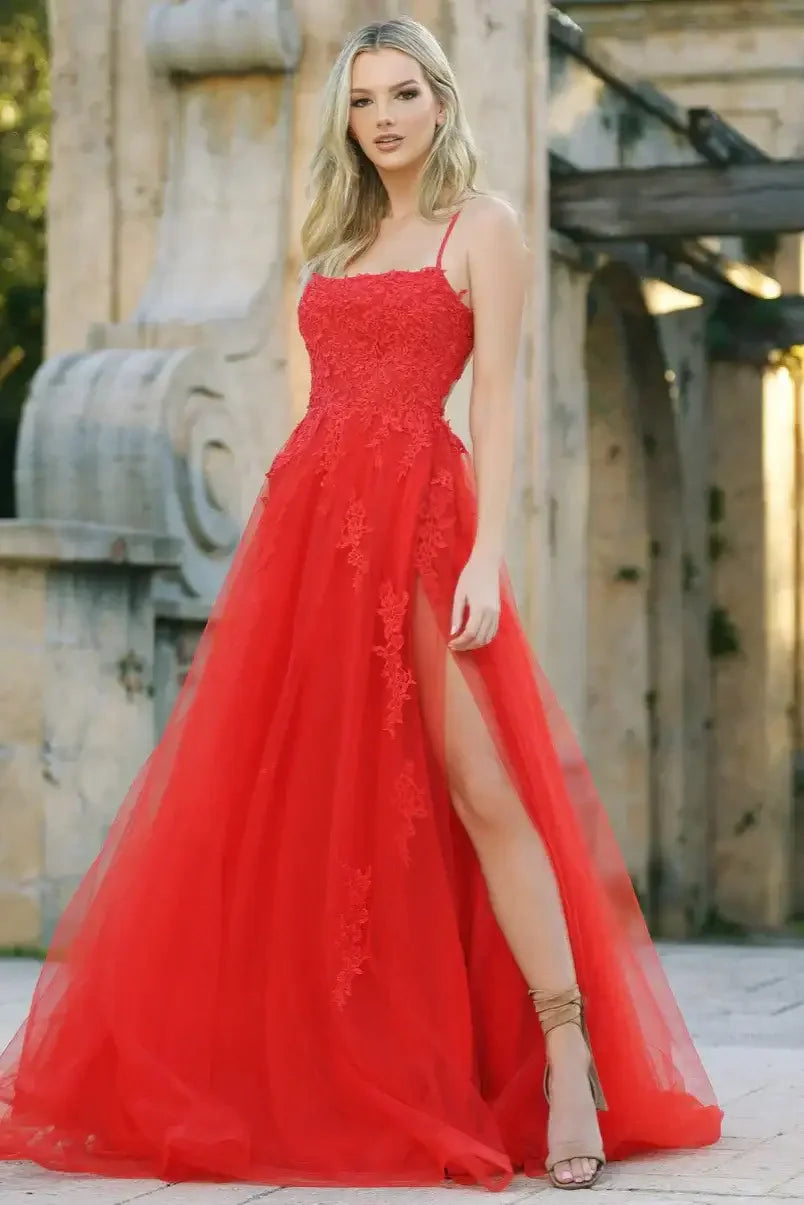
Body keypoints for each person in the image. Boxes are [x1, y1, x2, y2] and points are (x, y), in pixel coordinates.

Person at [0, 15, 721, 1195]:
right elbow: (321, 404)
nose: (382, 118)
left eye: (402, 95)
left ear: (441, 101)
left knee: (485, 784)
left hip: (424, 523)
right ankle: (304, 1057)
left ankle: (566, 1045)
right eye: (362, 100)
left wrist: (488, 553)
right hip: (310, 530)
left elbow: (494, 405)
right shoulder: (336, 237)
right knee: (299, 799)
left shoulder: (485, 226)